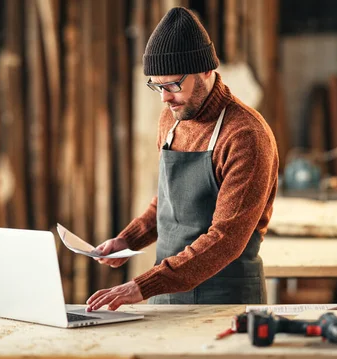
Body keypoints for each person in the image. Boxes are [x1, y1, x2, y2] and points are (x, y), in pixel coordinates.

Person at [86, 7, 278, 311]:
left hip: (225, 299)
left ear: (205, 70)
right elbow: (167, 200)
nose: (164, 97)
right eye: (156, 85)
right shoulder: (171, 118)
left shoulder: (245, 136)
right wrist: (129, 240)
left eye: (173, 84)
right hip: (167, 293)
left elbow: (226, 238)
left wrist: (144, 284)